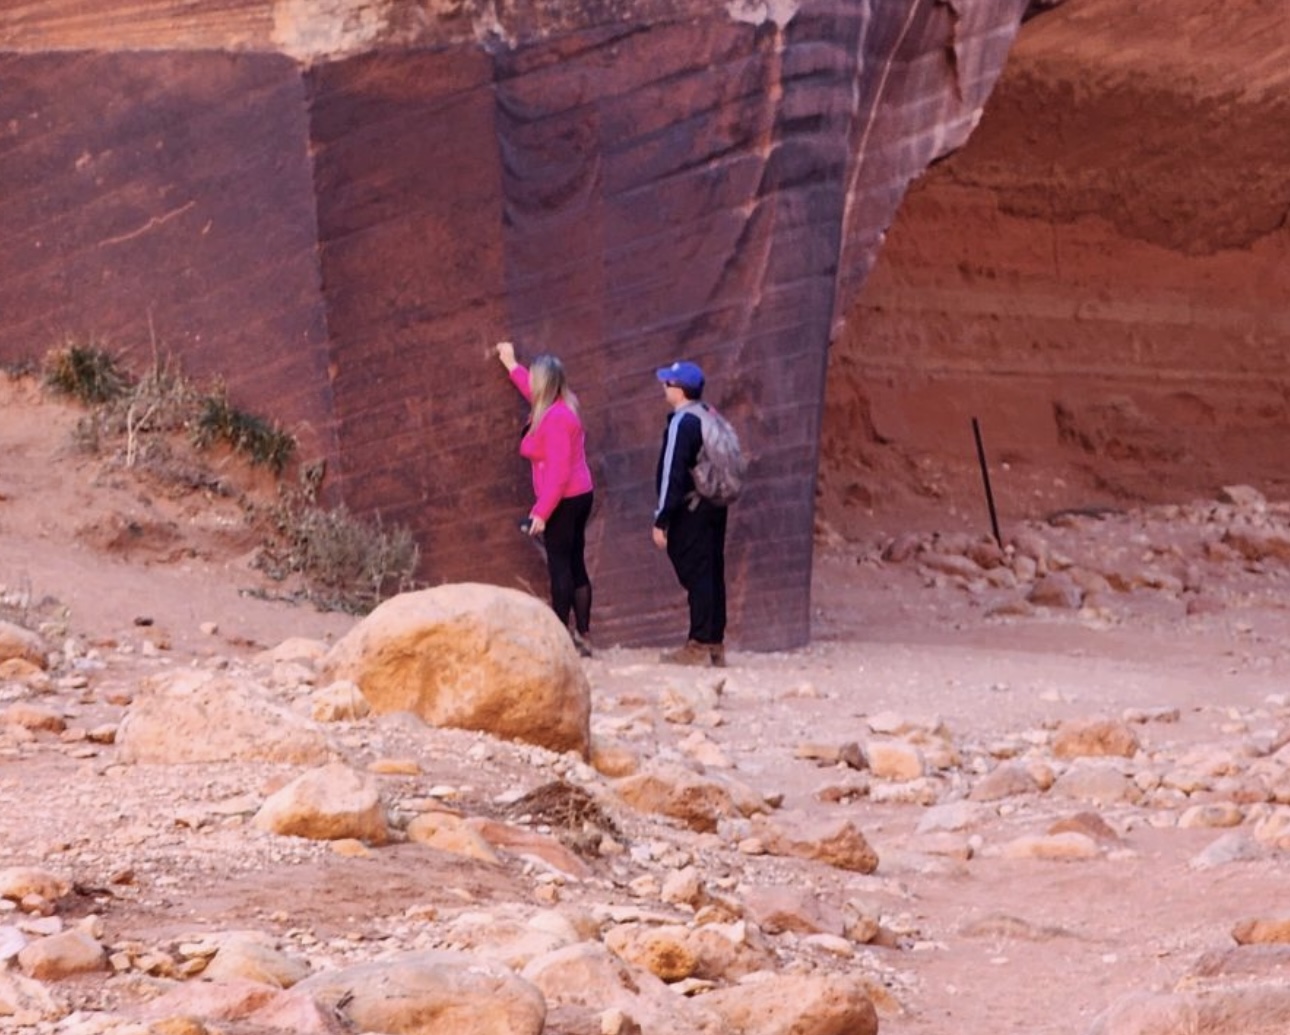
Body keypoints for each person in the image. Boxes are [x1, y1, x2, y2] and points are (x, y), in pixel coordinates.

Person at [496, 341, 595, 657]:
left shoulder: (555, 420)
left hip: (564, 499)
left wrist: (541, 513)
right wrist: (511, 364)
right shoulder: (560, 404)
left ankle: (563, 638)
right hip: (580, 495)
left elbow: (558, 473)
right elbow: (530, 389)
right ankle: (583, 634)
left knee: (561, 566)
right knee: (575, 562)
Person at [652, 359, 727, 667]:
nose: (663, 387)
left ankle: (697, 644)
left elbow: (673, 472)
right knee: (711, 571)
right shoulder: (709, 414)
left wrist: (662, 518)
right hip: (714, 504)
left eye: (667, 383)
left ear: (678, 390)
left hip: (690, 507)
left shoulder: (682, 423)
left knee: (695, 573)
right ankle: (714, 643)